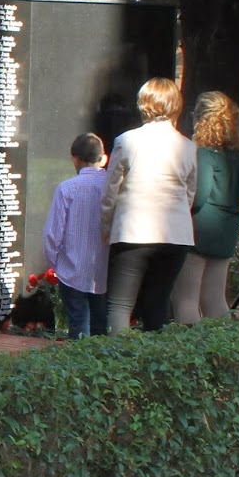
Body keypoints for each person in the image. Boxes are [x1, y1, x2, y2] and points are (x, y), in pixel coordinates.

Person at [169, 92, 239, 323]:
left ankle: (190, 352)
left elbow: (199, 197)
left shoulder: (205, 153)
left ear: (202, 120)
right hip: (228, 228)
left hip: (199, 230)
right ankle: (224, 350)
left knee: (185, 298)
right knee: (214, 297)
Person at [100, 77, 197, 332]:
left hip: (134, 232)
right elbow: (189, 192)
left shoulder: (127, 141)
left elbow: (111, 189)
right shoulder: (188, 147)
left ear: (143, 103)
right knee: (158, 303)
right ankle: (154, 367)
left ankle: (119, 365)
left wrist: (105, 224)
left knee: (120, 305)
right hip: (176, 235)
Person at [42, 132, 109, 337]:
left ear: (74, 158)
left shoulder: (67, 189)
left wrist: (54, 263)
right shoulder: (112, 186)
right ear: (103, 158)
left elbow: (53, 233)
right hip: (105, 267)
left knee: (78, 324)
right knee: (101, 325)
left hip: (72, 268)